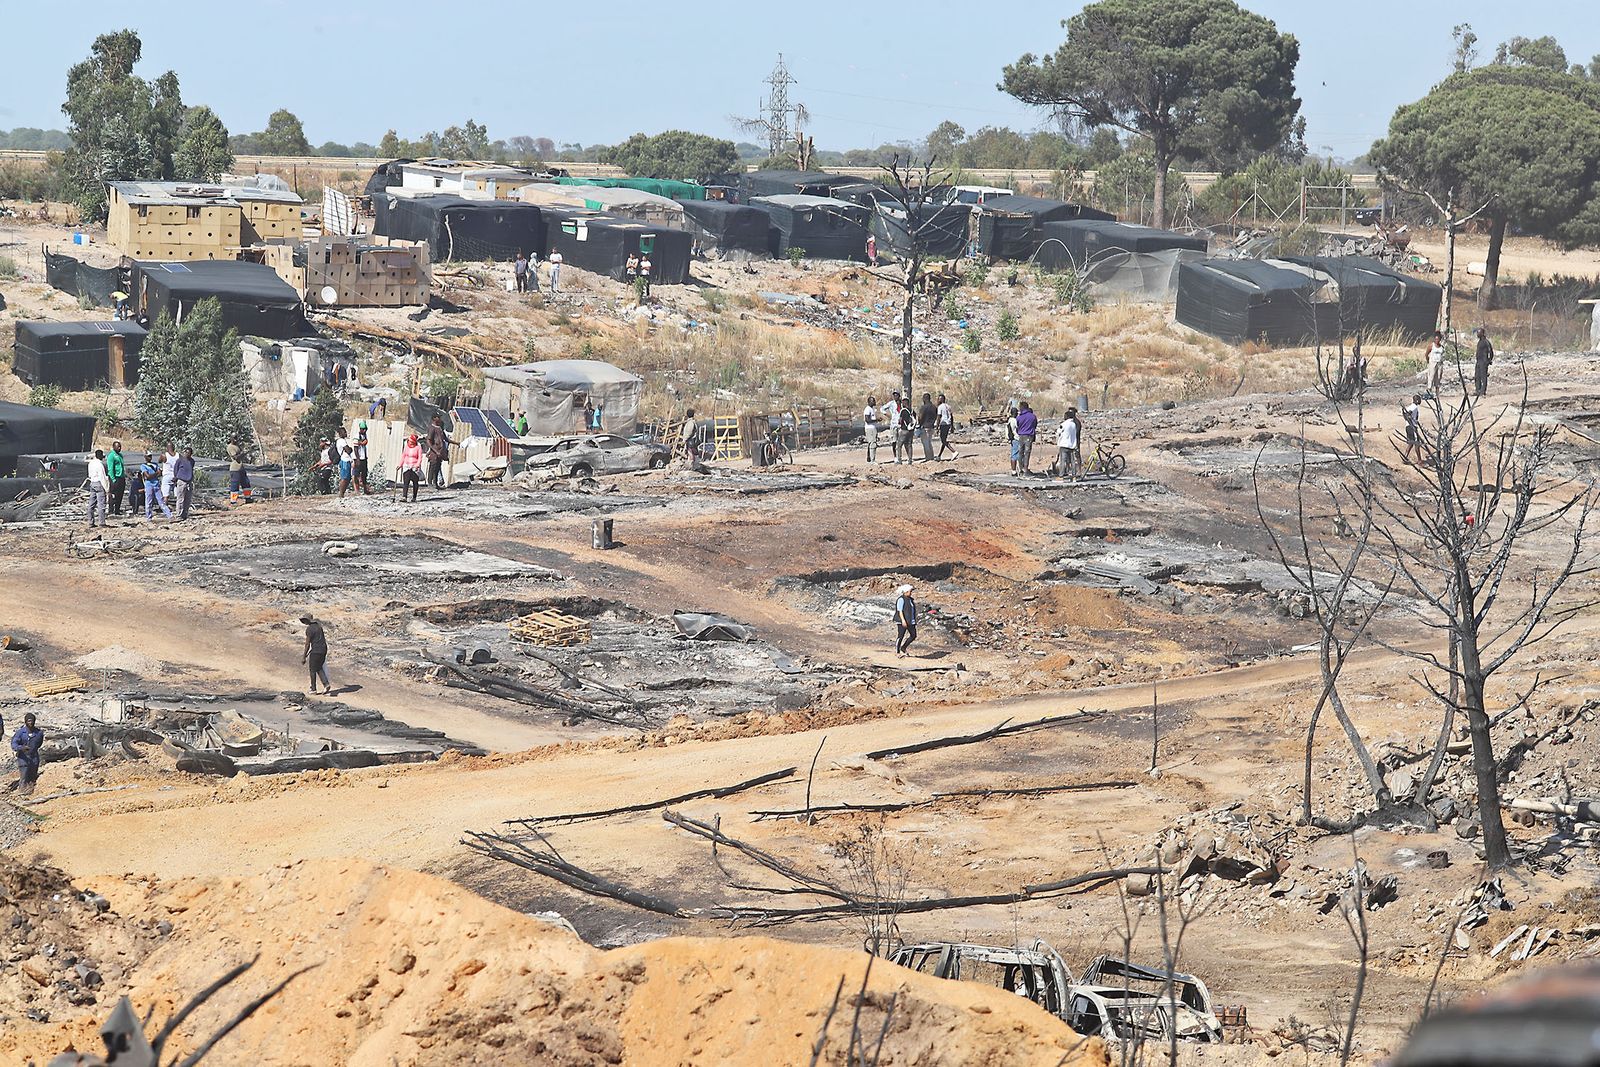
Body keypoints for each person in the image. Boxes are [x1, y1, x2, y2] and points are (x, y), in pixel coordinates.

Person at [11, 713, 43, 795]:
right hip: (23, 757)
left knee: (33, 775)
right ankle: (22, 793)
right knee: (24, 776)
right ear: (25, 721)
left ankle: (31, 792)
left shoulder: (39, 733)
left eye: (32, 721)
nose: (30, 723)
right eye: (28, 721)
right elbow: (14, 744)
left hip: (34, 756)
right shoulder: (20, 733)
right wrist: (21, 748)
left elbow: (39, 743)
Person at [300, 614, 331, 695]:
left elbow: (307, 644)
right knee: (318, 667)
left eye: (304, 620)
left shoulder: (309, 629)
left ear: (307, 620)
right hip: (323, 650)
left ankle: (313, 689)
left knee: (312, 670)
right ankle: (326, 684)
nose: (304, 622)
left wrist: (304, 656)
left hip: (316, 651)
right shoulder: (318, 626)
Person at [141, 451, 171, 521]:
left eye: (150, 456)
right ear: (145, 457)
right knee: (149, 502)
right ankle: (149, 518)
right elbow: (147, 476)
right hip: (149, 485)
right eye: (148, 456)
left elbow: (160, 473)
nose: (150, 457)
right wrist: (156, 473)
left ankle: (169, 515)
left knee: (161, 501)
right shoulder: (143, 466)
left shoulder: (155, 464)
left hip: (156, 485)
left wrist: (156, 473)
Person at [86, 448, 110, 527]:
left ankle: (90, 522)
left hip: (92, 482)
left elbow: (89, 474)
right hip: (99, 483)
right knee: (101, 504)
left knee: (91, 504)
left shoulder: (91, 463)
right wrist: (106, 488)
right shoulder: (100, 465)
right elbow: (102, 477)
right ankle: (102, 522)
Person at [894, 584, 917, 657]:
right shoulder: (901, 599)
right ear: (906, 592)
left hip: (910, 621)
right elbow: (900, 611)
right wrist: (903, 620)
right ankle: (897, 651)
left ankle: (903, 647)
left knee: (913, 635)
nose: (911, 593)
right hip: (902, 621)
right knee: (900, 636)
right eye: (910, 591)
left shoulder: (910, 600)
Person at [227, 438, 253, 505]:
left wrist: (247, 452)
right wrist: (243, 453)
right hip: (235, 469)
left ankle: (248, 498)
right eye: (235, 438)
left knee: (246, 484)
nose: (236, 440)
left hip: (241, 468)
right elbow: (236, 458)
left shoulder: (237, 446)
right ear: (232, 439)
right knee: (235, 485)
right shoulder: (230, 447)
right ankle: (233, 501)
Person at [400, 432, 424, 502]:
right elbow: (403, 456)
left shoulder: (418, 447)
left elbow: (420, 457)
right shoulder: (406, 446)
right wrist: (400, 464)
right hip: (406, 465)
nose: (410, 443)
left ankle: (414, 497)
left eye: (411, 442)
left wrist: (417, 465)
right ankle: (404, 496)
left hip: (414, 466)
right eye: (409, 441)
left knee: (415, 482)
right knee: (406, 482)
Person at [1056, 409, 1081, 478]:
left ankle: (1061, 475)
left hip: (1064, 445)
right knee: (1073, 461)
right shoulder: (1074, 424)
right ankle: (1074, 475)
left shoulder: (1064, 424)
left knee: (1063, 461)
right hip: (1072, 445)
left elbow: (1058, 432)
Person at [1015, 401, 1038, 474]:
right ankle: (1025, 468)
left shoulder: (1019, 417)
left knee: (1020, 452)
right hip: (1029, 436)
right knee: (1027, 453)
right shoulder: (1032, 416)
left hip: (1021, 436)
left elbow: (1017, 426)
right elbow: (1035, 425)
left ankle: (1020, 468)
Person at [427, 414, 449, 489]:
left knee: (437, 468)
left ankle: (435, 483)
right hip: (434, 452)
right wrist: (436, 451)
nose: (439, 419)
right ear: (434, 418)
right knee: (432, 467)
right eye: (438, 417)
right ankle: (430, 483)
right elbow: (429, 441)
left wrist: (457, 443)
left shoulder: (440, 429)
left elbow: (446, 439)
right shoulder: (432, 428)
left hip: (440, 452)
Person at [173, 447, 195, 520]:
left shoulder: (192, 461)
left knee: (187, 499)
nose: (186, 454)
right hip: (182, 481)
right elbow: (175, 470)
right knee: (180, 499)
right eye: (186, 452)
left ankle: (185, 514)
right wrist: (176, 478)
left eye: (188, 452)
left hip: (189, 481)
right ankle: (179, 514)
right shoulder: (180, 460)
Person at [1401, 393, 1423, 465]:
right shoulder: (1414, 407)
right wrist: (1410, 419)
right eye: (1419, 400)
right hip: (1412, 427)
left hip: (1407, 426)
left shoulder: (1409, 407)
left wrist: (1407, 418)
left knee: (1410, 443)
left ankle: (1405, 457)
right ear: (1416, 400)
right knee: (1417, 443)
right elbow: (1408, 414)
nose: (1420, 401)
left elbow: (1404, 414)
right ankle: (1419, 461)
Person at [935, 393, 958, 460]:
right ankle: (939, 456)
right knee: (944, 440)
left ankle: (954, 451)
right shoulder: (948, 406)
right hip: (948, 424)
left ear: (940, 399)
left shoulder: (940, 407)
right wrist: (952, 426)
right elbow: (951, 417)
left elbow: (939, 417)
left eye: (938, 399)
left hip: (943, 424)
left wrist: (937, 427)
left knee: (943, 440)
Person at [106, 441, 126, 516]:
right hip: (115, 477)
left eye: (120, 446)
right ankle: (111, 510)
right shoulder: (111, 456)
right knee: (113, 494)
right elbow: (110, 468)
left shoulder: (120, 455)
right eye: (118, 447)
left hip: (121, 477)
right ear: (114, 447)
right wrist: (113, 479)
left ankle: (117, 510)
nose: (120, 448)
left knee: (120, 494)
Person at [1474, 327, 1494, 398]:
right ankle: (1477, 390)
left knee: (1483, 377)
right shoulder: (1480, 341)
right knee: (1477, 376)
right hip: (1478, 361)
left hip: (1483, 361)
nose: (1477, 334)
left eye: (1478, 332)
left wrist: (1488, 360)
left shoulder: (1486, 342)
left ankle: (1483, 392)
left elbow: (1490, 352)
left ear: (1482, 333)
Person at [1424, 330, 1446, 395]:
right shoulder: (1431, 346)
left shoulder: (1441, 347)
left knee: (1438, 377)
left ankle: (1437, 392)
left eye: (1438, 339)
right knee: (1431, 376)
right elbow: (1426, 354)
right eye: (1436, 339)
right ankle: (1429, 391)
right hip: (1433, 362)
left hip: (1439, 363)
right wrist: (1428, 361)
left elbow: (1443, 355)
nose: (1437, 340)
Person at [917, 392, 937, 461]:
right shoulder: (934, 407)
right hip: (931, 426)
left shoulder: (924, 407)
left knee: (926, 444)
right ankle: (931, 457)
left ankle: (928, 458)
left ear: (924, 399)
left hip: (925, 427)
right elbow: (936, 416)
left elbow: (920, 417)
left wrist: (919, 424)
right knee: (929, 443)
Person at [884, 391, 903, 463]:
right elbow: (882, 408)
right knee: (894, 441)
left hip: (901, 425)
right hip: (894, 424)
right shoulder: (891, 403)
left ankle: (899, 456)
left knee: (900, 441)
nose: (895, 397)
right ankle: (895, 456)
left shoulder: (902, 403)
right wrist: (887, 415)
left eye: (896, 395)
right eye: (894, 396)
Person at [897, 398, 916, 463]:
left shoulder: (903, 411)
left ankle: (899, 459)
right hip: (911, 430)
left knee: (899, 445)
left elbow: (900, 420)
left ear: (904, 403)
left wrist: (899, 423)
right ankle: (910, 459)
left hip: (904, 430)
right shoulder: (912, 411)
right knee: (909, 445)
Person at [353, 423, 370, 495]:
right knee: (356, 474)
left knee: (364, 474)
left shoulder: (364, 435)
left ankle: (365, 489)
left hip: (364, 458)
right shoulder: (357, 436)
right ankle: (357, 490)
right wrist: (357, 459)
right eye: (364, 429)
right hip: (359, 458)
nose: (365, 431)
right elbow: (355, 448)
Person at [863, 395, 880, 462]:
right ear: (869, 402)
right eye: (873, 401)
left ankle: (869, 458)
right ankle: (872, 460)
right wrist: (876, 420)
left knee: (871, 443)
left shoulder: (871, 409)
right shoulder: (867, 409)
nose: (875, 402)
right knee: (873, 443)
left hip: (872, 428)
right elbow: (867, 420)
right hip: (870, 428)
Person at [1007, 406, 1020, 475]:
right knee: (1016, 454)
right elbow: (1018, 428)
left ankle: (1013, 470)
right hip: (1016, 438)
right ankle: (1015, 470)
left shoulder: (1009, 420)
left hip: (1012, 439)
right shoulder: (1014, 420)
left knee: (1013, 454)